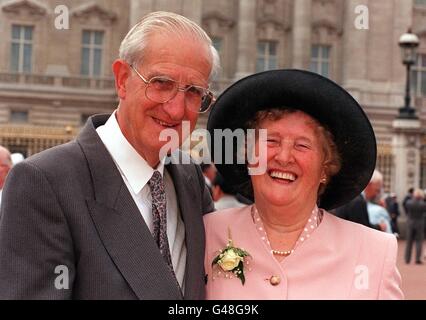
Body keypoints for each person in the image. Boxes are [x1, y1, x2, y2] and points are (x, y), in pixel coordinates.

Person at [0, 11, 219, 299]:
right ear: (122, 79)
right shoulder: (44, 182)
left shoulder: (188, 176)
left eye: (193, 92)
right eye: (161, 83)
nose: (176, 109)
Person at [204, 70, 403, 299]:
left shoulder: (374, 252)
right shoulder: (206, 233)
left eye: (302, 145)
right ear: (249, 157)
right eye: (271, 140)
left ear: (325, 168)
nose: (284, 157)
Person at [404, 188, 426, 264]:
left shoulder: (409, 202)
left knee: (409, 242)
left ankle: (407, 259)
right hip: (420, 222)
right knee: (419, 242)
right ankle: (417, 259)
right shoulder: (423, 204)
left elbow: (406, 208)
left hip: (410, 222)